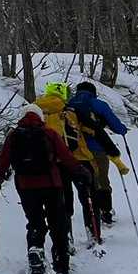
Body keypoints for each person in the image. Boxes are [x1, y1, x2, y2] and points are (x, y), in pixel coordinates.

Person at [0, 103, 90, 274]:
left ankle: (35, 251)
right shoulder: (49, 133)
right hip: (51, 184)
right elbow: (66, 156)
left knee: (35, 221)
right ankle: (61, 263)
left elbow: (3, 159)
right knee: (57, 222)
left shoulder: (13, 136)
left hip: (25, 186)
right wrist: (80, 171)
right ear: (40, 117)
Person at [35, 82, 99, 249]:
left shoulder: (37, 111)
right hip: (78, 159)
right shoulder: (70, 110)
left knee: (63, 202)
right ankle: (94, 234)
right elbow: (92, 129)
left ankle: (67, 238)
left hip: (53, 163)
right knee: (88, 197)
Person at [67, 81, 130, 226]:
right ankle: (105, 212)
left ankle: (91, 212)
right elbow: (116, 125)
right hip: (97, 148)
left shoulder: (69, 104)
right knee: (102, 180)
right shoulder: (98, 104)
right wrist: (123, 130)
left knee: (86, 182)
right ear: (93, 92)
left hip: (76, 150)